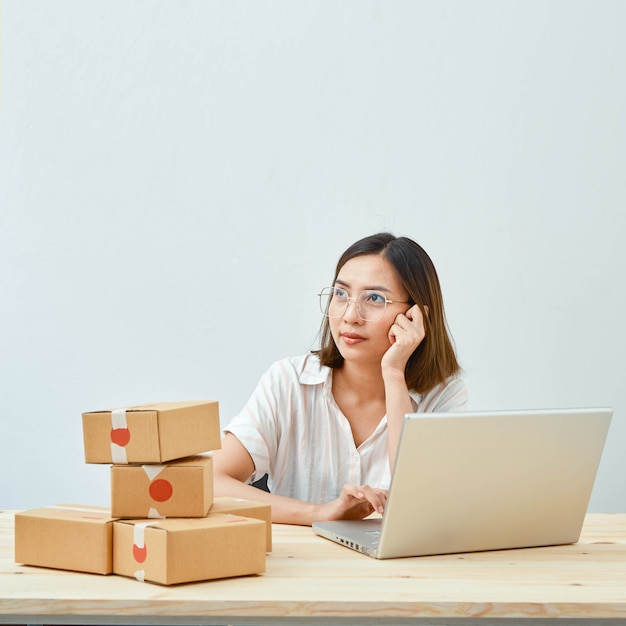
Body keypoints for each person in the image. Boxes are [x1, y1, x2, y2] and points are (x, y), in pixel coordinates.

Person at [213, 232, 467, 525]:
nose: (350, 315)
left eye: (374, 298)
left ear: (414, 316)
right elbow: (212, 484)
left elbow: (424, 509)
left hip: (398, 568)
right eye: (341, 294)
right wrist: (320, 513)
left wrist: (394, 374)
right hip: (301, 565)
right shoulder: (288, 382)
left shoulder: (444, 396)